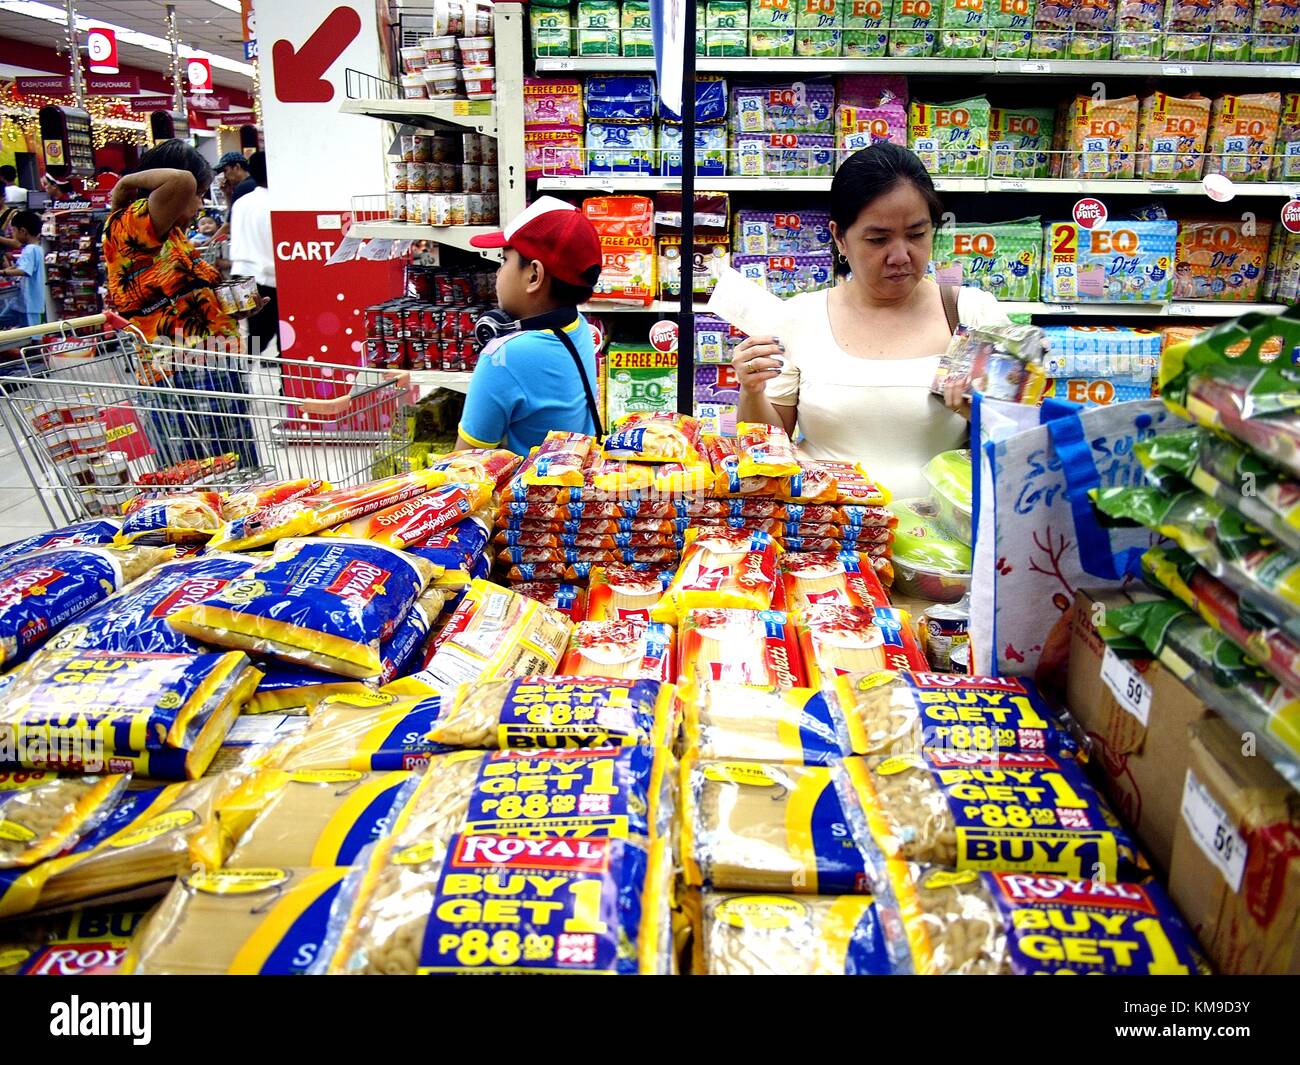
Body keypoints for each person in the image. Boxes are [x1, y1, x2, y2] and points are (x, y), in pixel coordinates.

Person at [733, 142, 1008, 498]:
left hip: (943, 543)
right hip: (829, 540)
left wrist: (983, 412)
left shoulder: (973, 315)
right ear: (839, 238)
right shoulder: (800, 316)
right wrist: (753, 389)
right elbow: (768, 446)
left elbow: (1024, 442)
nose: (899, 256)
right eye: (878, 239)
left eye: (917, 235)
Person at [101, 138, 258, 469]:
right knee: (195, 478)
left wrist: (233, 308)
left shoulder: (171, 232)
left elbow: (182, 295)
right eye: (198, 194)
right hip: (177, 371)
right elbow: (182, 181)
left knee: (234, 474)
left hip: (211, 366)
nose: (200, 204)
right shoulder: (131, 223)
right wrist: (126, 181)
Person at [456, 196, 602, 455]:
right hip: (571, 480)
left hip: (526, 491)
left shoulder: (503, 357)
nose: (498, 273)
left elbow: (463, 466)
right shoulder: (577, 325)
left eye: (504, 260)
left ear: (534, 275)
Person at [229, 151, 278, 355]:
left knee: (256, 332)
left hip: (240, 274)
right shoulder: (276, 204)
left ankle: (243, 366)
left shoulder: (242, 202)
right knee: (272, 332)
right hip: (266, 278)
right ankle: (244, 364)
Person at [0, 209, 45, 328]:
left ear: (23, 231)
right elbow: (18, 266)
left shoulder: (31, 249)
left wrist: (4, 272)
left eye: (13, 230)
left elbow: (24, 271)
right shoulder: (34, 248)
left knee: (33, 336)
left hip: (29, 304)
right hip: (20, 302)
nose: (12, 234)